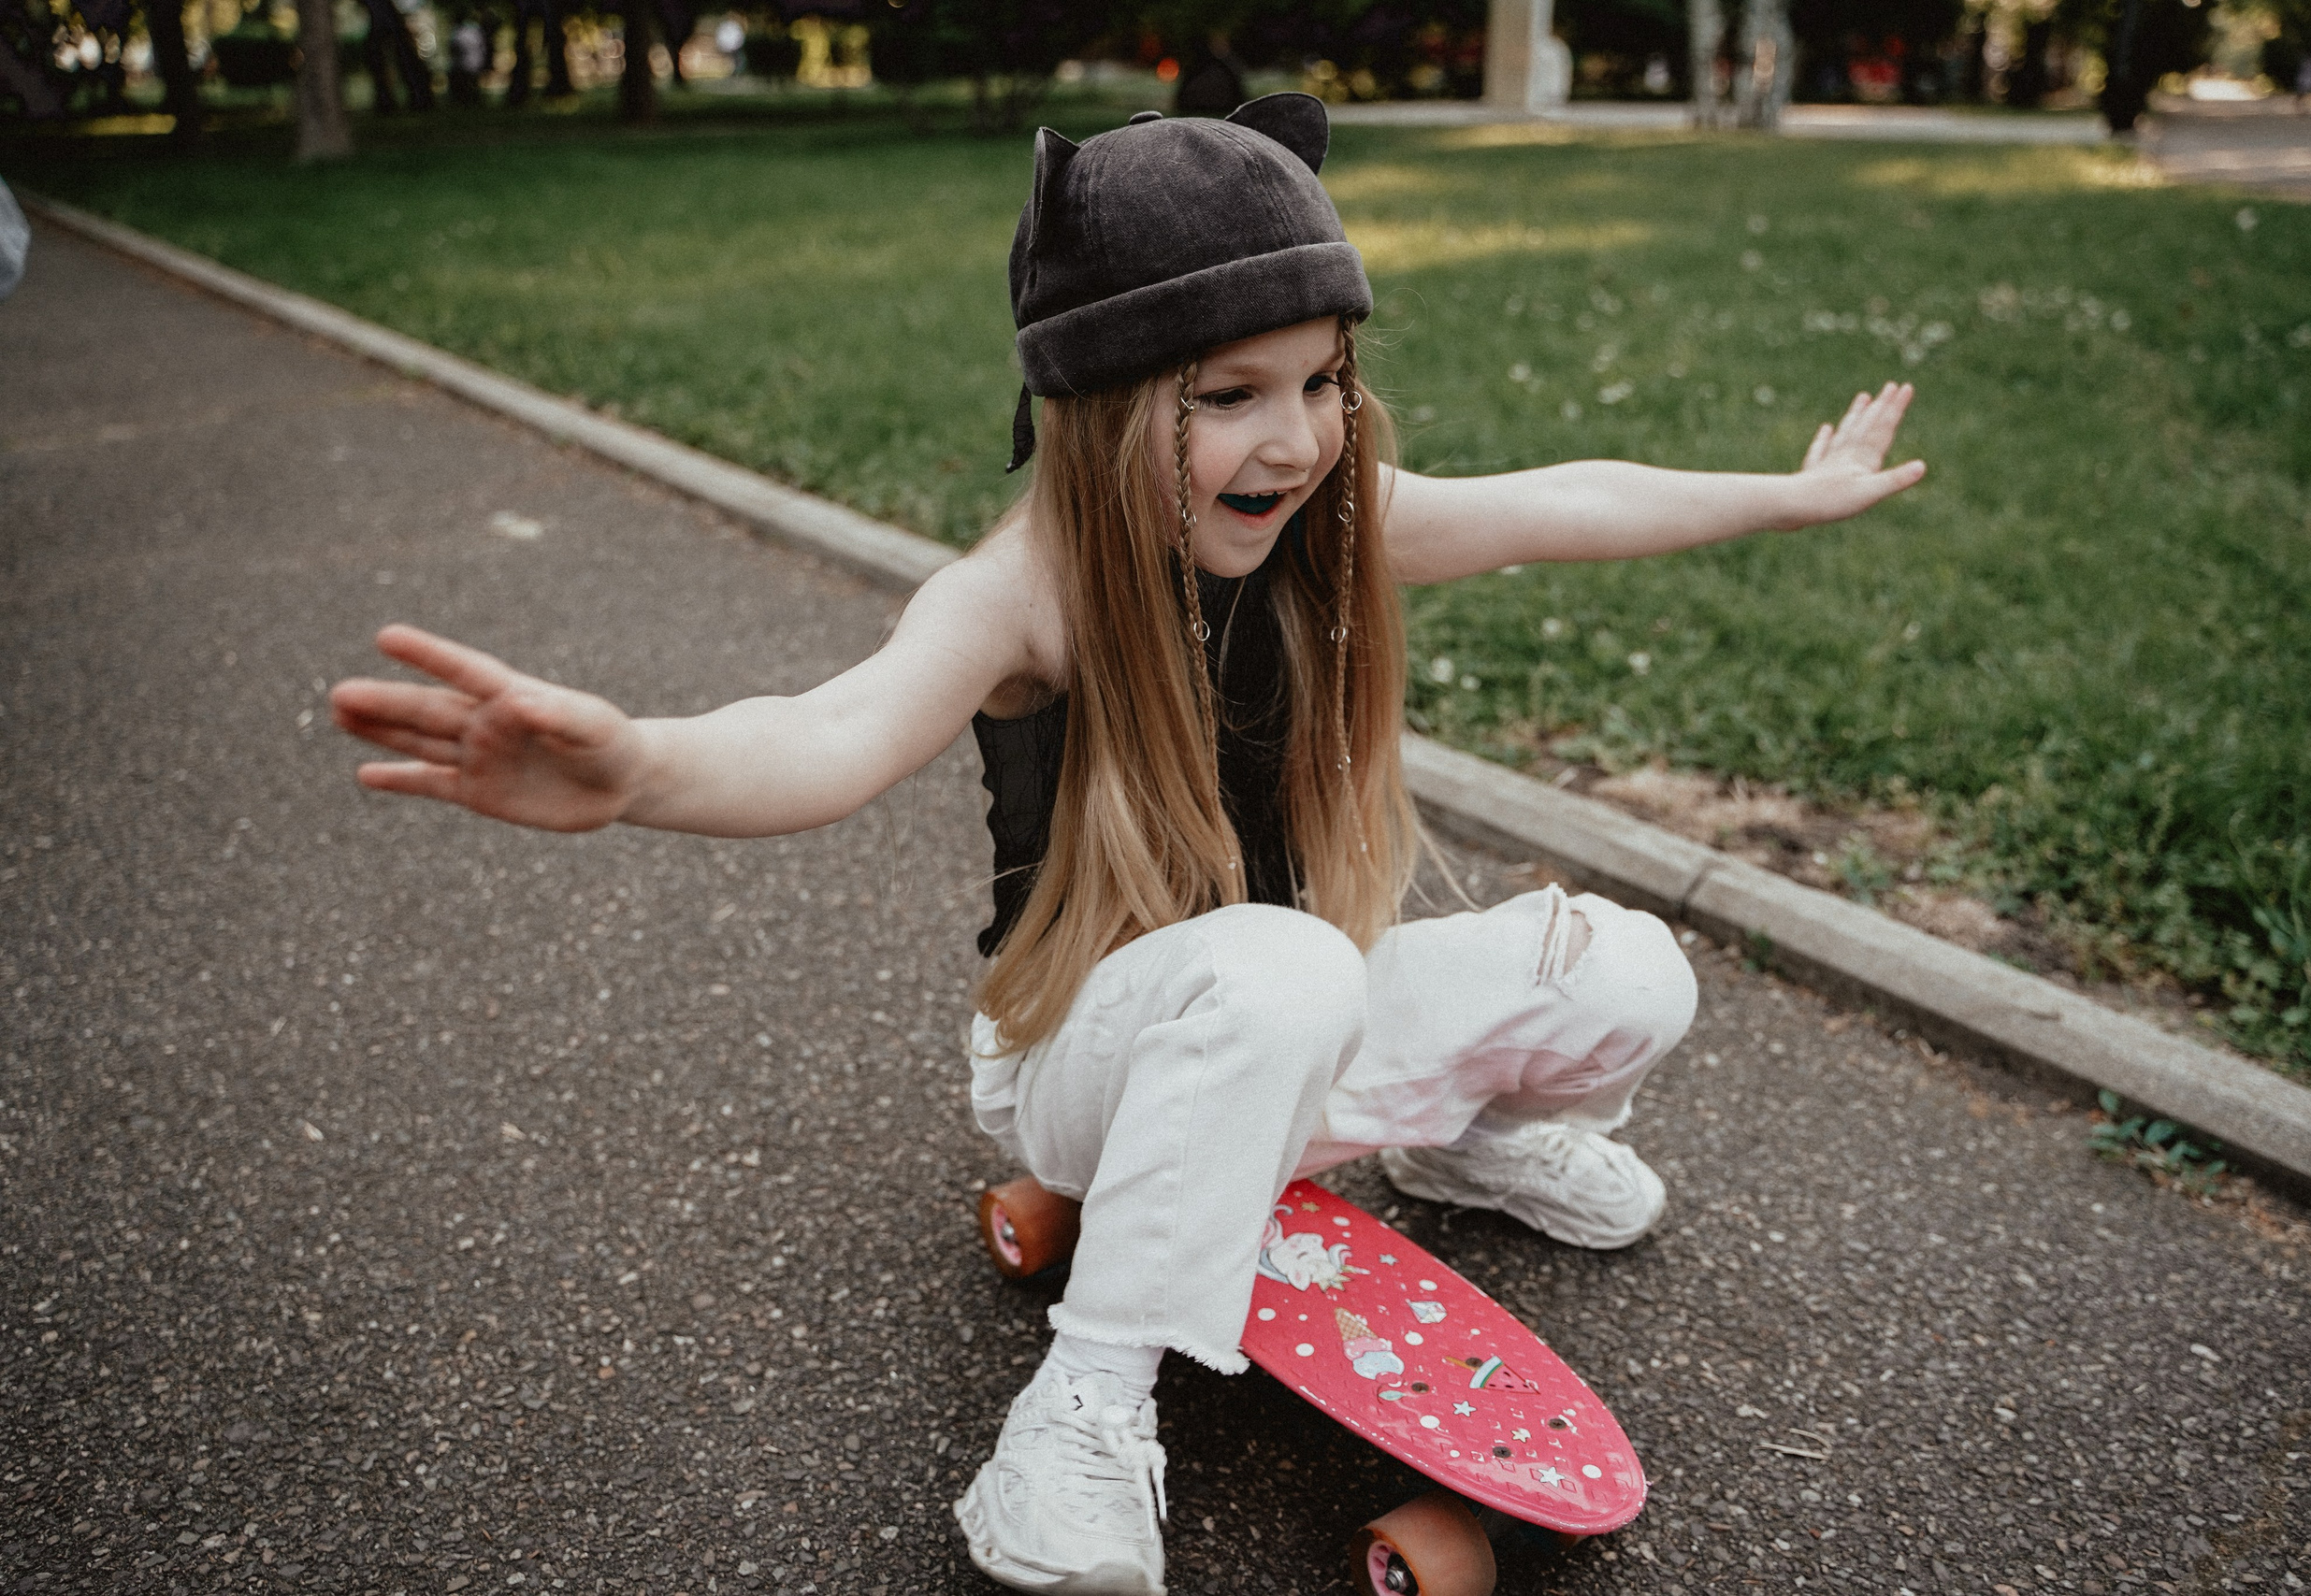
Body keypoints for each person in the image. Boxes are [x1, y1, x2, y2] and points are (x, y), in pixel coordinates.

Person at [330, 95, 1924, 1596]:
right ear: (1099, 412)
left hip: (1296, 1022)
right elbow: (829, 732)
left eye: (1318, 383)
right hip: (1082, 1070)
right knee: (1288, 973)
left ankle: (1468, 1147)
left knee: (1626, 967)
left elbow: (1550, 500)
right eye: (1226, 396)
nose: (1293, 441)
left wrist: (1787, 498)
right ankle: (1082, 1408)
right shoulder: (1022, 595)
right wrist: (638, 769)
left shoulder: (1332, 521)